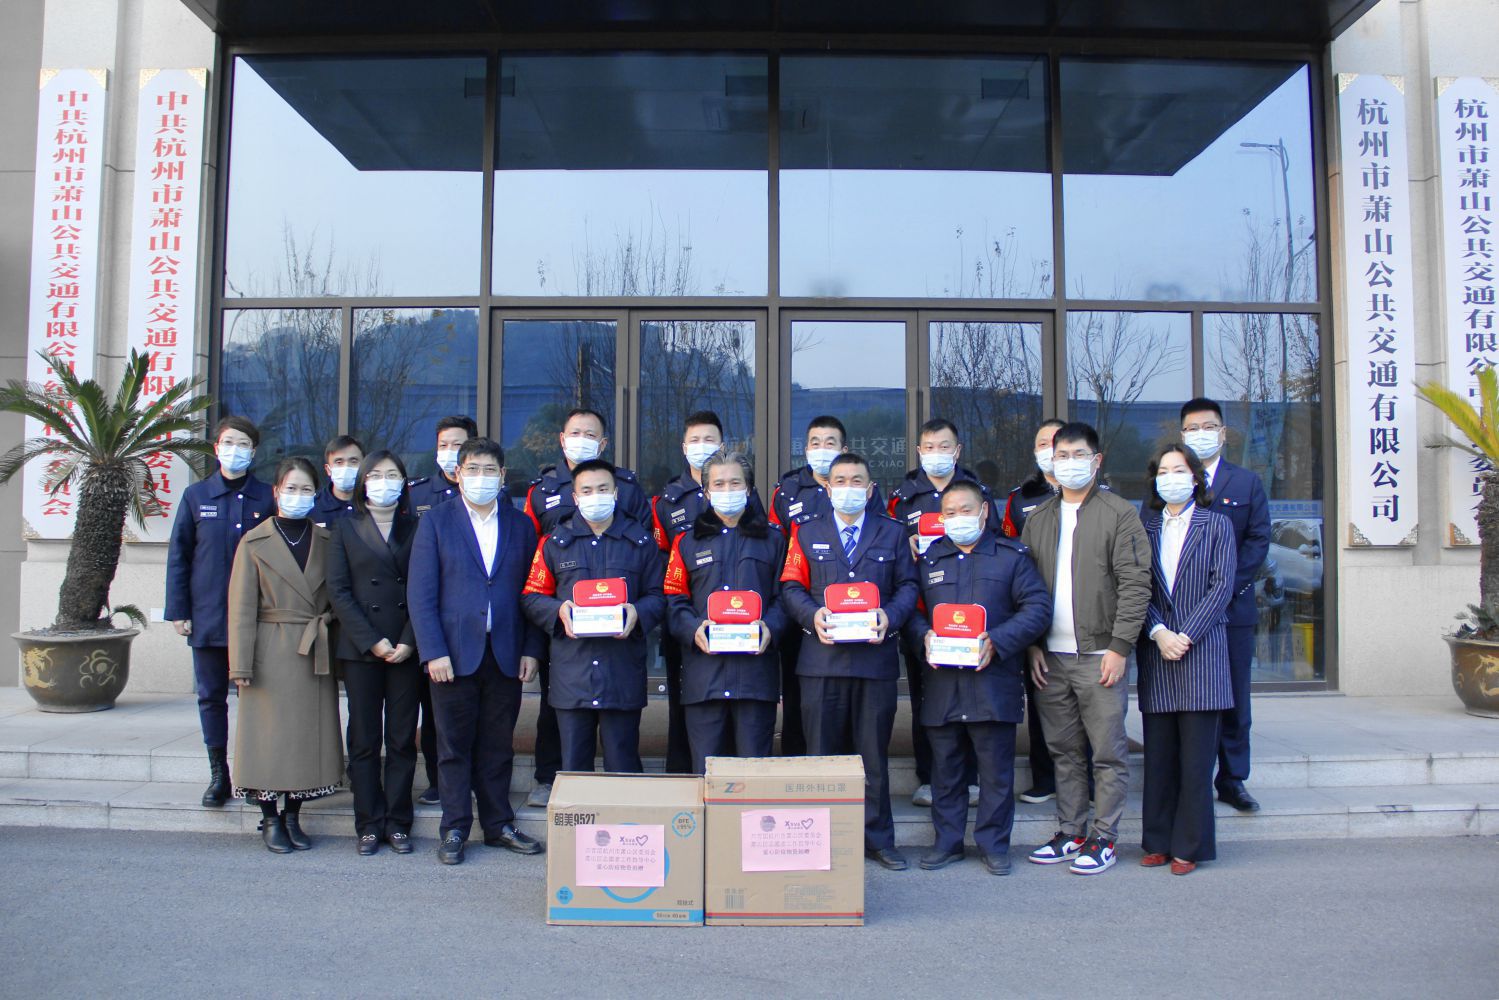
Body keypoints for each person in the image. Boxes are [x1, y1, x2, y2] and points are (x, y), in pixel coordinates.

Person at [407, 438, 546, 866]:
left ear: (502, 476)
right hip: (452, 655)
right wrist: (433, 651)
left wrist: (531, 649)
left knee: (498, 745)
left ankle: (498, 824)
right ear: (457, 474)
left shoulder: (521, 525)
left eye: (489, 470)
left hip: (505, 652)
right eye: (472, 469)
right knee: (453, 747)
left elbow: (533, 592)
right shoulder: (436, 522)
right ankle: (454, 827)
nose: (480, 478)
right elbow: (421, 594)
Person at [1020, 422, 1150, 876]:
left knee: (1108, 753)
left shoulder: (1119, 514)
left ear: (1097, 461)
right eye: (1062, 456)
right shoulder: (1039, 518)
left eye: (1079, 455)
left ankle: (1105, 837)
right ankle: (1071, 831)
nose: (1069, 463)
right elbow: (1025, 589)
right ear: (1050, 462)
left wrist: (1120, 646)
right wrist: (1032, 646)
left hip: (1100, 657)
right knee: (1064, 751)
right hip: (1051, 659)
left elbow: (1135, 584)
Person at [780, 452, 918, 871]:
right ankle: (819, 842)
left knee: (872, 757)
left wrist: (890, 617)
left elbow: (909, 586)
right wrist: (812, 615)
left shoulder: (893, 532)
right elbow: (790, 587)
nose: (848, 488)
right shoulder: (805, 532)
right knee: (822, 757)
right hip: (821, 663)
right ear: (827, 488)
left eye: (857, 481)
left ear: (870, 489)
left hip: (874, 664)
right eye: (840, 481)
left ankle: (878, 840)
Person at [908, 481, 1051, 874]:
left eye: (966, 510)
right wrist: (923, 636)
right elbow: (912, 611)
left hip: (993, 681)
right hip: (942, 684)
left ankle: (994, 845)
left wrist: (1000, 640)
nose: (958, 518)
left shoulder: (1011, 556)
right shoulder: (929, 560)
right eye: (950, 513)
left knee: (995, 773)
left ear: (984, 511)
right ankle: (948, 842)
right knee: (946, 770)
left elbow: (1037, 607)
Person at [523, 408, 651, 805]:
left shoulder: (640, 543)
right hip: (572, 672)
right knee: (573, 774)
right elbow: (531, 595)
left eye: (603, 489)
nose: (596, 497)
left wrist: (639, 613)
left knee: (623, 771)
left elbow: (660, 595)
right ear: (575, 497)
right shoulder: (555, 544)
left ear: (616, 493)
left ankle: (627, 835)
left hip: (621, 670)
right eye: (587, 491)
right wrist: (557, 612)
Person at [226, 458, 342, 854]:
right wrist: (240, 663)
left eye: (306, 489)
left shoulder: (327, 540)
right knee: (267, 737)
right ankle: (270, 817)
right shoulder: (254, 541)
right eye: (290, 488)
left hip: (313, 650)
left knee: (305, 738)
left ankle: (293, 814)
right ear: (276, 492)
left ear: (316, 493)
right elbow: (241, 607)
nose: (298, 495)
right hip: (269, 650)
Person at [164, 416, 275, 808]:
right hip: (209, 614)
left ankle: (253, 772)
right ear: (216, 448)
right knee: (211, 696)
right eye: (228, 442)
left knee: (257, 697)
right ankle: (219, 774)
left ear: (254, 451)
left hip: (258, 619)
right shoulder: (196, 496)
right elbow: (179, 556)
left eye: (243, 444)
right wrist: (178, 610)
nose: (235, 450)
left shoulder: (267, 497)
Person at [1138, 444, 1238, 875]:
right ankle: (1157, 840)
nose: (1170, 477)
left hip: (1202, 652)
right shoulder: (1145, 529)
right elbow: (1136, 587)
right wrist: (1159, 632)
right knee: (1160, 759)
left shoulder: (1217, 525)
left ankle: (1189, 846)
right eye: (1163, 471)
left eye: (1178, 469)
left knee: (1196, 762)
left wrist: (1186, 635)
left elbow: (1222, 586)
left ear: (1195, 477)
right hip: (1158, 651)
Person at [768, 415, 887, 756]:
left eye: (830, 443)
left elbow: (875, 537)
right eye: (815, 443)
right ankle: (797, 761)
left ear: (843, 448)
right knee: (799, 694)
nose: (822, 449)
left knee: (851, 706)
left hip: (856, 615)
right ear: (805, 449)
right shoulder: (787, 491)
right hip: (802, 610)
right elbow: (776, 547)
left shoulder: (863, 491)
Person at [887, 417, 989, 808]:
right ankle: (928, 777)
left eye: (944, 446)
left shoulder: (975, 491)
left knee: (973, 697)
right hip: (923, 614)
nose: (936, 454)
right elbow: (888, 547)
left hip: (971, 612)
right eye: (929, 447)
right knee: (926, 698)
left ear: (957, 450)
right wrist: (907, 542)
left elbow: (993, 542)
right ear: (918, 451)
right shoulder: (903, 498)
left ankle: (972, 777)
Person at [664, 451, 786, 773]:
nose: (727, 490)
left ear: (749, 489)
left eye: (735, 483)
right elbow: (674, 600)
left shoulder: (774, 539)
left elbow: (785, 597)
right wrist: (694, 629)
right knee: (706, 775)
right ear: (706, 492)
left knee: (754, 776)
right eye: (719, 484)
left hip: (755, 679)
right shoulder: (686, 542)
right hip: (705, 679)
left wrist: (771, 627)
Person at [327, 450, 420, 856]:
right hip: (361, 648)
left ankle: (398, 822)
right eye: (376, 475)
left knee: (401, 739)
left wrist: (408, 640)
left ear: (404, 482)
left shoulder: (418, 527)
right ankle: (367, 823)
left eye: (392, 475)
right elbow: (339, 591)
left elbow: (425, 587)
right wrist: (372, 640)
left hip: (406, 647)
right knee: (364, 739)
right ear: (363, 482)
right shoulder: (344, 527)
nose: (385, 482)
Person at [1180, 397, 1271, 813]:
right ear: (1182, 435)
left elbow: (1258, 539)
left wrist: (1224, 589)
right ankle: (1190, 776)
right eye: (1192, 428)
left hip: (1232, 609)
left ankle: (1233, 779)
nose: (1200, 434)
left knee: (1235, 698)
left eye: (1208, 427)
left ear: (1222, 432)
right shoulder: (1171, 479)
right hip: (1182, 612)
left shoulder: (1246, 483)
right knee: (1188, 697)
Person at [1000, 417, 1076, 806]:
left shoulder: (1099, 496)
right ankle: (1045, 777)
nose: (1051, 450)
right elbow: (1009, 558)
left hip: (1082, 615)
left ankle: (1086, 782)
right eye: (1043, 443)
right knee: (1042, 696)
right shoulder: (1020, 499)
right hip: (1036, 612)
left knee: (1087, 704)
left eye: (1057, 442)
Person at [408, 414, 477, 807]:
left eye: (458, 445)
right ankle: (438, 780)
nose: (450, 452)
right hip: (427, 620)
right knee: (431, 709)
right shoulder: (418, 495)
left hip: (472, 624)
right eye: (443, 445)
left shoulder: (491, 495)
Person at [313, 434, 364, 526]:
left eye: (353, 461)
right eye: (339, 462)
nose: (346, 467)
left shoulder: (373, 504)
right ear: (328, 470)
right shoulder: (313, 506)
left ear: (364, 466)